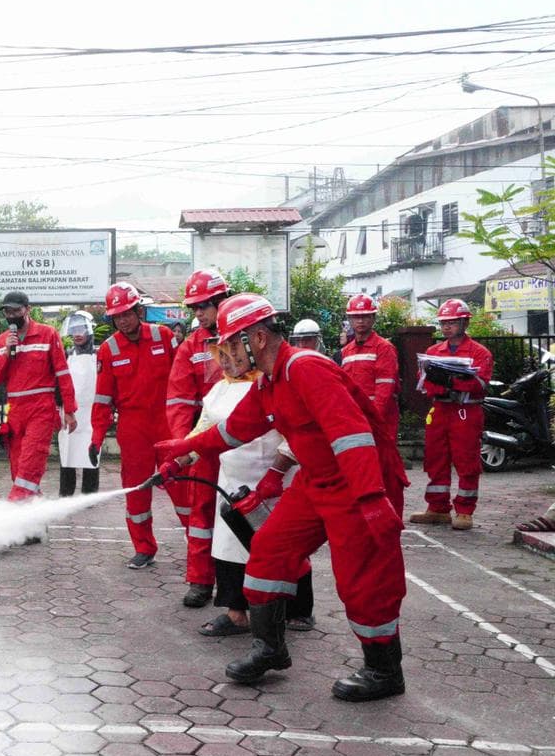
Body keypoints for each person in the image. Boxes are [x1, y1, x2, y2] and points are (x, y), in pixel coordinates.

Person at [155, 293, 407, 703]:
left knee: (364, 580)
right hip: (318, 481)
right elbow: (234, 431)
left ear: (255, 339)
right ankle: (270, 649)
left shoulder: (304, 368)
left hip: (358, 484)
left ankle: (383, 670)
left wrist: (372, 497)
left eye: (231, 344)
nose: (226, 356)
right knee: (268, 550)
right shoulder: (270, 383)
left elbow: (352, 434)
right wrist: (183, 452)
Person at [191, 335, 315, 638]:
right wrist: (179, 457)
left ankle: (297, 608)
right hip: (231, 480)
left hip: (271, 480)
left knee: (284, 547)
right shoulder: (218, 391)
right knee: (228, 546)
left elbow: (299, 434)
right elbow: (204, 431)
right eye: (221, 355)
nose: (227, 361)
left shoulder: (274, 385)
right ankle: (236, 613)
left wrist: (278, 470)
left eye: (232, 353)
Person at [89, 283, 178, 569]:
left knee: (184, 487)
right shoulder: (108, 349)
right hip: (133, 428)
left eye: (127, 313)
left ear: (139, 311)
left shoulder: (164, 337)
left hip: (167, 424)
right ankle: (144, 548)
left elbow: (184, 381)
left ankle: (199, 542)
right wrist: (97, 437)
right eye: (118, 316)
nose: (123, 320)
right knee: (137, 491)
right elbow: (102, 400)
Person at [165, 269, 229, 601]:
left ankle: (262, 588)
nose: (198, 313)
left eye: (203, 305)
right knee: (201, 509)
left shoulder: (245, 334)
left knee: (250, 512)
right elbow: (178, 399)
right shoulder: (192, 346)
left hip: (247, 442)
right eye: (194, 308)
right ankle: (201, 580)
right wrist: (182, 443)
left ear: (221, 301)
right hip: (207, 441)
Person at [0, 290, 78, 502]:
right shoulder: (2, 341)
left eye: (16, 311)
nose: (11, 316)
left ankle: (12, 511)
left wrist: (70, 410)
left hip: (41, 409)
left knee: (29, 466)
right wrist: (7, 354)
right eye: (7, 312)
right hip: (15, 411)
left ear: (27, 310)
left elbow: (63, 374)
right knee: (18, 469)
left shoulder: (47, 334)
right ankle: (33, 524)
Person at [413, 299, 493, 530]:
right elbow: (426, 385)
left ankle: (465, 510)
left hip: (465, 410)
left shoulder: (479, 352)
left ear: (464, 322)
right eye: (444, 323)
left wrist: (452, 382)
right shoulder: (433, 352)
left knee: (466, 459)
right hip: (440, 409)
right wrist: (445, 385)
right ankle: (437, 508)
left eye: (452, 322)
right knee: (435, 459)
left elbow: (480, 384)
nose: (447, 327)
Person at [341, 294, 406, 515]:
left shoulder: (383, 348)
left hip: (381, 421)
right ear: (350, 320)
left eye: (365, 317)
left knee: (385, 468)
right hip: (357, 421)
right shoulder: (347, 351)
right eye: (356, 317)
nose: (360, 322)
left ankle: (390, 512)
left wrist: (373, 419)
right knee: (361, 466)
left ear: (373, 318)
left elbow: (384, 388)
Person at [57, 311, 99, 496]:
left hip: (92, 412)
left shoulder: (99, 356)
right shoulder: (67, 356)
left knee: (92, 449)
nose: (78, 333)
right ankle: (66, 491)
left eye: (82, 329)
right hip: (70, 411)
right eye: (74, 330)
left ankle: (89, 491)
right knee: (67, 449)